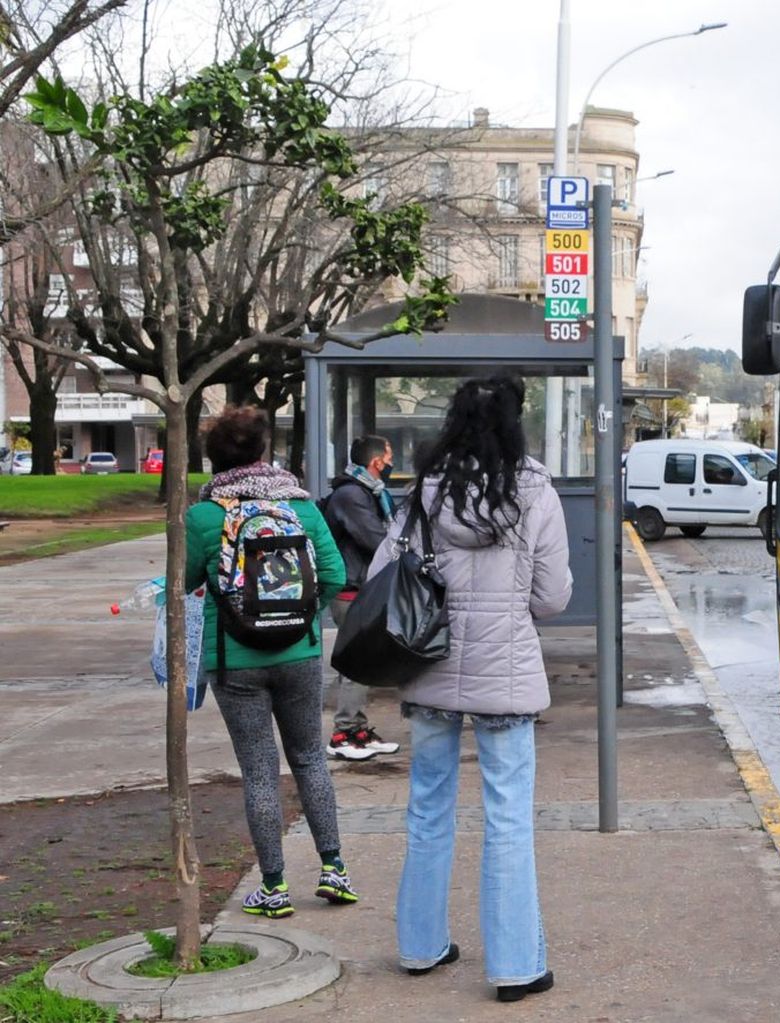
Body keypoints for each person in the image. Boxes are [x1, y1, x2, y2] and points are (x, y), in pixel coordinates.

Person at [374, 376, 571, 1002]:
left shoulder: (423, 490)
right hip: (506, 679)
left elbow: (384, 575)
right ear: (516, 422)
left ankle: (419, 946)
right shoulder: (535, 489)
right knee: (507, 817)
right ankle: (515, 967)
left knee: (427, 808)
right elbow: (552, 596)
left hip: (429, 670)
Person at [185, 406, 355, 918]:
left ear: (214, 460)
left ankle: (274, 888)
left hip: (233, 660)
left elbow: (188, 579)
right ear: (264, 453)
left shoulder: (203, 517)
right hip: (299, 653)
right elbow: (334, 573)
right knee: (309, 759)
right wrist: (301, 615)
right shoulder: (301, 508)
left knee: (259, 771)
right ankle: (334, 869)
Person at [321, 435, 402, 760]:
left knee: (364, 659)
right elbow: (378, 540)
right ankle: (345, 733)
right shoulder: (352, 496)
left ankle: (357, 728)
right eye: (390, 456)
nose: (392, 464)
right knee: (358, 661)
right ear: (377, 462)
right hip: (350, 590)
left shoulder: (368, 493)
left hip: (361, 588)